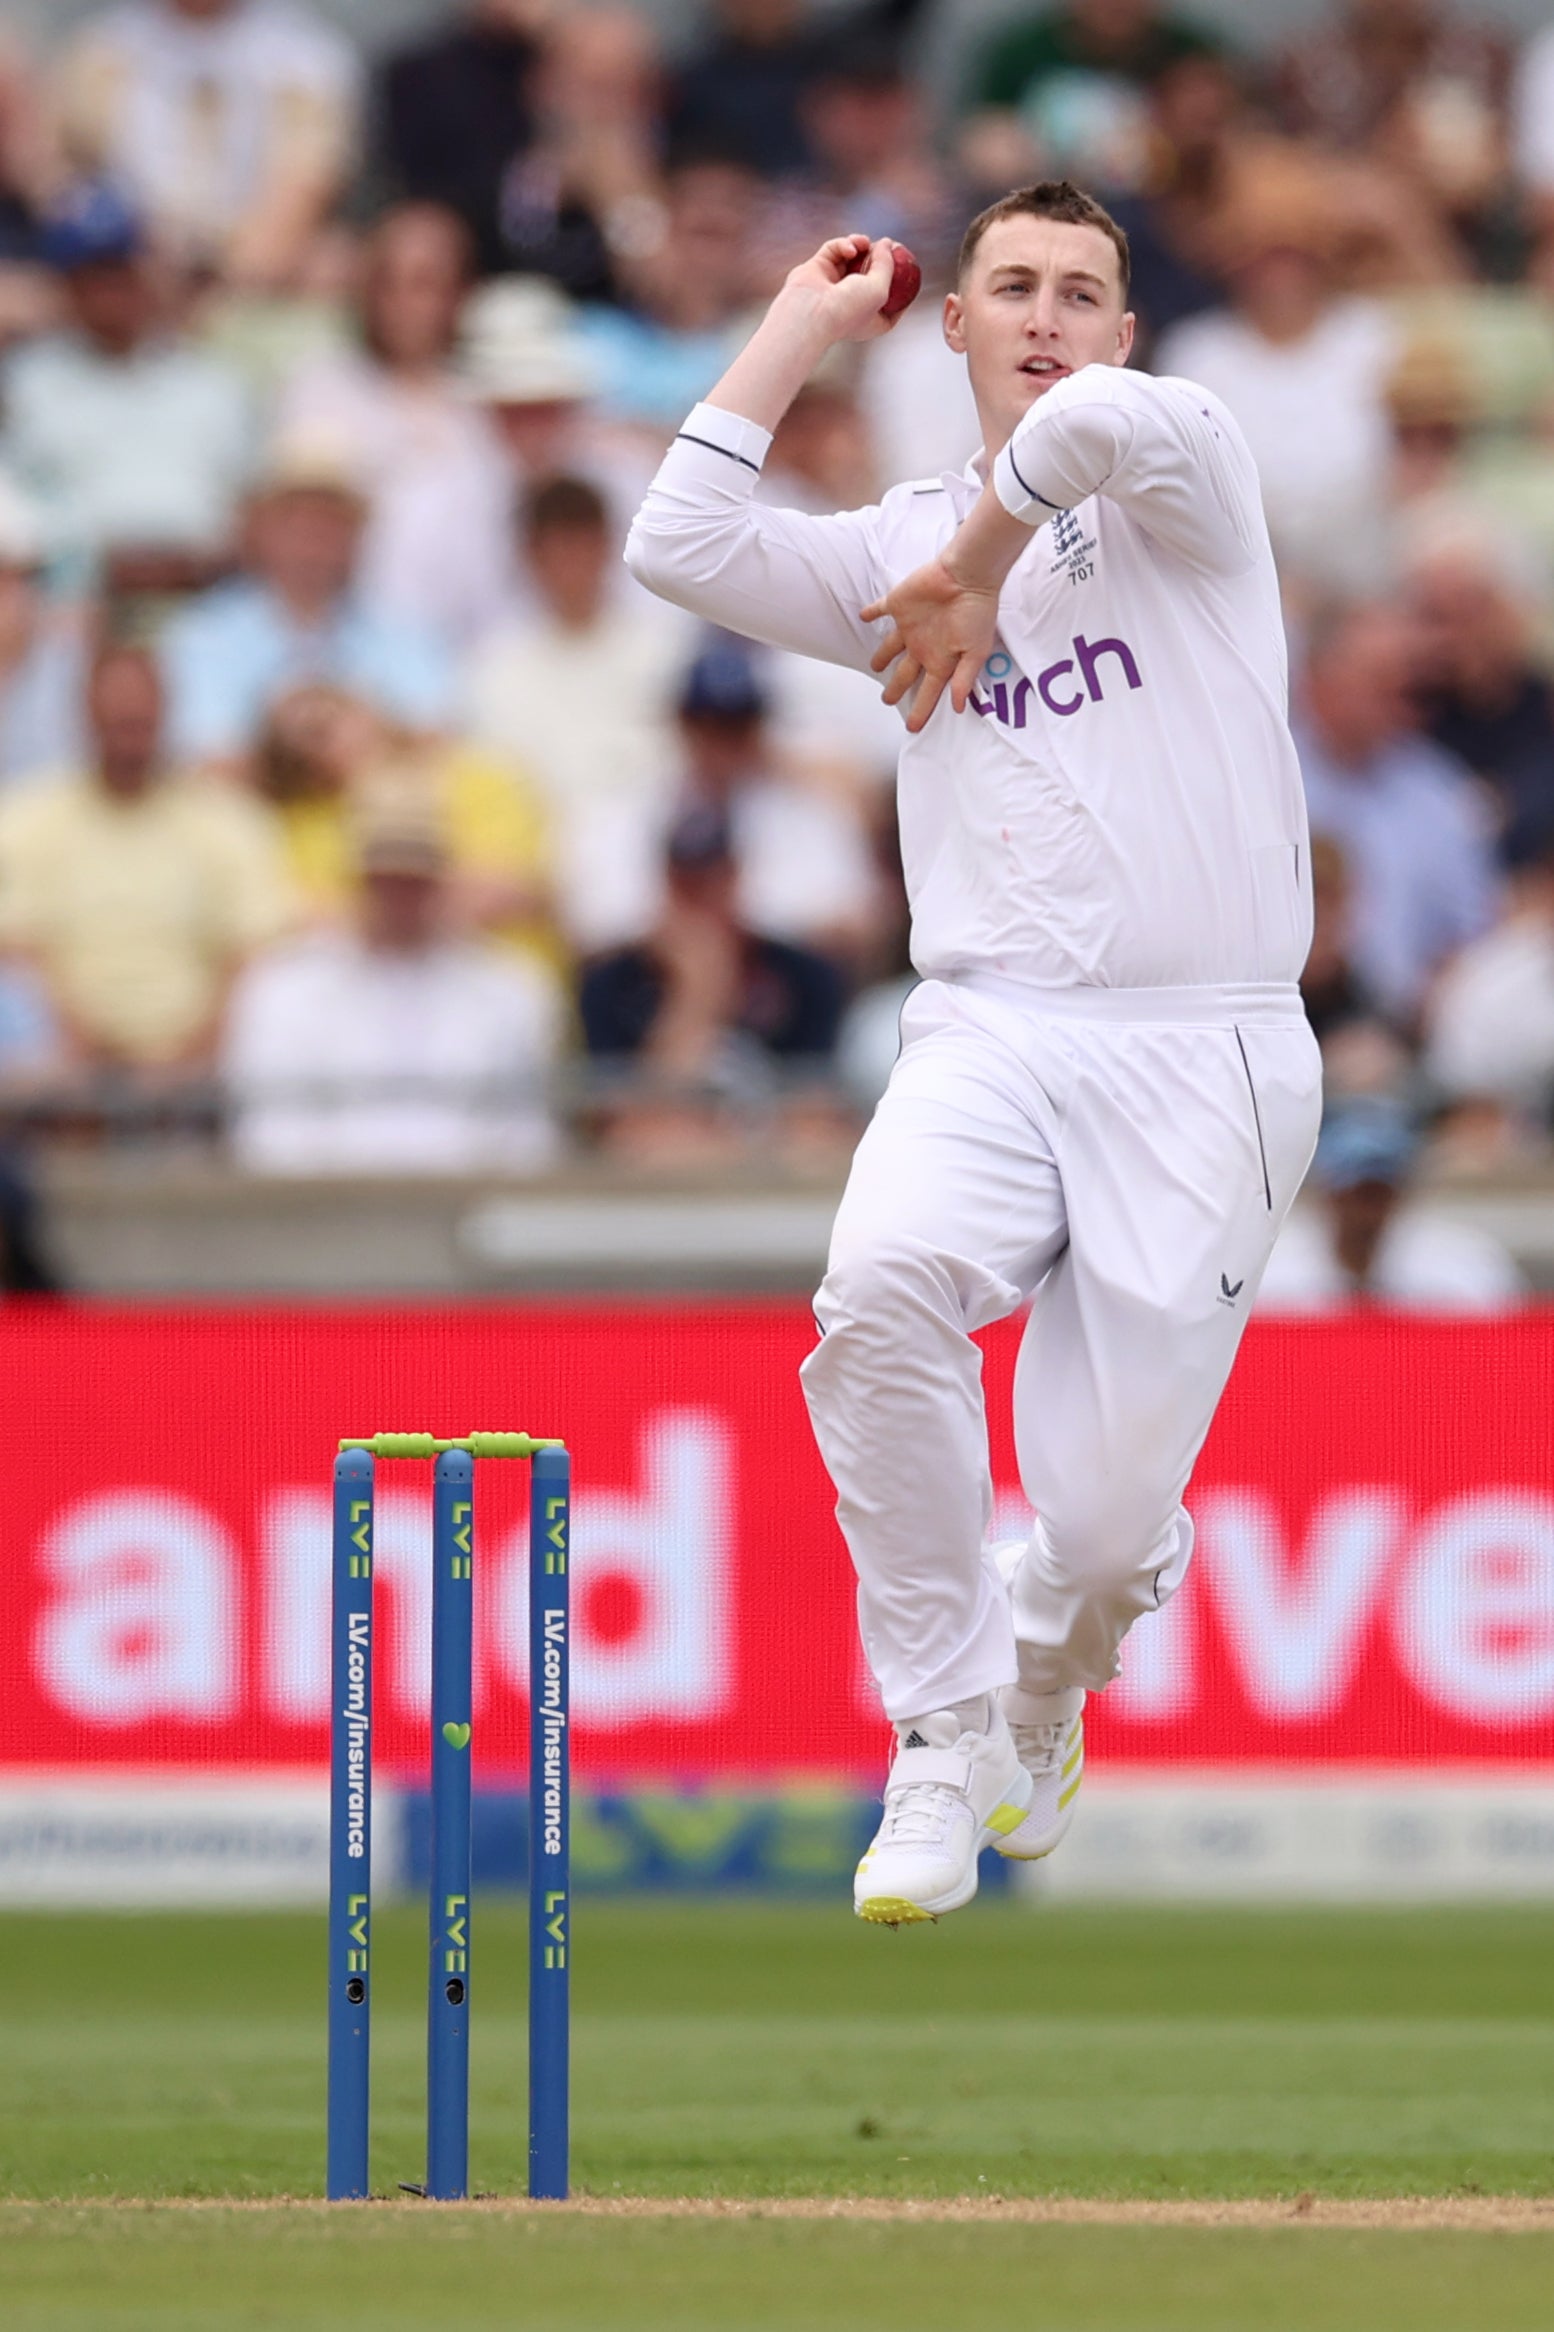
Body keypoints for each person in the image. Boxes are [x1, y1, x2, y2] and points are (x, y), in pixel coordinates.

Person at [626, 180, 1322, 1924]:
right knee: (872, 1288)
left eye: (1075, 291)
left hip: (1204, 1051)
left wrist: (978, 571)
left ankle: (1042, 1675)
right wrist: (798, 318)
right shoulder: (887, 546)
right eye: (1003, 285)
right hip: (991, 1028)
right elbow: (677, 543)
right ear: (946, 325)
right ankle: (938, 1731)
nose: (1038, 316)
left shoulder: (1187, 475)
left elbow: (1082, 435)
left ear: (1121, 327)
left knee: (1092, 1540)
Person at [223, 785, 562, 1174]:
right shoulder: (284, 988)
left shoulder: (510, 990)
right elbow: (272, 1137)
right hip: (323, 1217)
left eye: (415, 877)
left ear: (442, 878)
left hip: (466, 1212)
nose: (400, 894)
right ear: (359, 878)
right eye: (385, 877)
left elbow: (524, 1138)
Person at [0, 642, 292, 1088]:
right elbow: (18, 954)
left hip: (203, 1080)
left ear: (167, 713)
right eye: (116, 723)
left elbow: (252, 956)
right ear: (84, 716)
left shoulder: (229, 823)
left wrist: (186, 1064)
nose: (128, 738)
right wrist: (82, 1050)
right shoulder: (24, 820)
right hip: (60, 1079)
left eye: (139, 723)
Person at [462, 473, 683, 953]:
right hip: (542, 854)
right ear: (529, 558)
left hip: (652, 844)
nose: (571, 565)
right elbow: (498, 785)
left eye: (582, 546)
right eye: (556, 550)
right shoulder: (495, 667)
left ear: (607, 548)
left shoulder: (663, 650)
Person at [276, 203, 513, 648]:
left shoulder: (494, 397)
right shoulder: (321, 388)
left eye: (424, 283)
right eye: (389, 283)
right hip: (354, 637)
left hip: (486, 636)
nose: (404, 303)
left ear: (461, 293)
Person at [4, 181, 253, 592]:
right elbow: (14, 504)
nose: (110, 294)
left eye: (121, 274)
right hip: (71, 594)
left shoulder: (213, 382)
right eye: (92, 278)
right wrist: (83, 560)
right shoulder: (27, 382)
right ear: (66, 288)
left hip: (202, 593)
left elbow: (251, 502)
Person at [159, 430, 455, 765]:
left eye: (332, 521)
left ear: (358, 535)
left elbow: (437, 738)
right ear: (257, 530)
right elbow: (208, 756)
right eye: (295, 520)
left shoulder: (404, 629)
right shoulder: (203, 636)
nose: (314, 538)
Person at [51, 0, 361, 288]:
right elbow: (71, 180)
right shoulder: (101, 52)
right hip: (129, 281)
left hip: (259, 284)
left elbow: (305, 188)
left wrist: (228, 278)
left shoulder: (308, 60)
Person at [1295, 599, 1500, 1029]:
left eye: (1405, 682)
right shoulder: (1264, 778)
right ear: (1317, 681)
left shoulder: (1440, 793)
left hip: (1401, 1037)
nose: (1400, 697)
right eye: (1378, 680)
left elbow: (1475, 933)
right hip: (1284, 1019)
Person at [1256, 1097, 1524, 1312]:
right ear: (1328, 1193)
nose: (1367, 1213)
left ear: (1402, 1193)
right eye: (1357, 1194)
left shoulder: (1467, 1265)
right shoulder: (1270, 1271)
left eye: (1380, 1194)